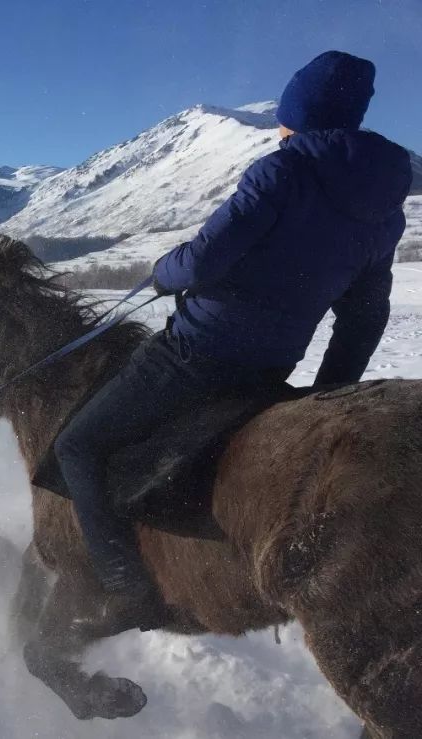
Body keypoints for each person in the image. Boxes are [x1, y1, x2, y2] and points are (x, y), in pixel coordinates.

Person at [52, 50, 412, 630]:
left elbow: (201, 262)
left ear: (298, 117)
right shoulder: (385, 209)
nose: (279, 128)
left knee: (78, 447)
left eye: (284, 118)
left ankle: (126, 589)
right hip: (271, 366)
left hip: (197, 352)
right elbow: (364, 315)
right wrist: (328, 392)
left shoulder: (281, 173)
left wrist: (163, 272)